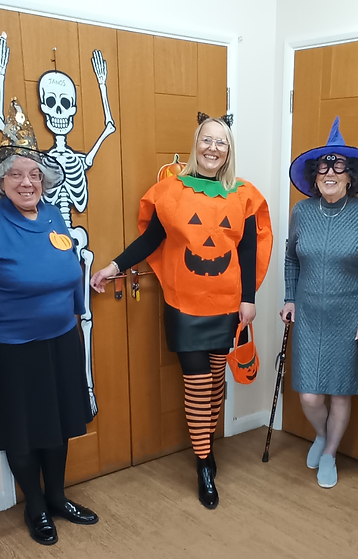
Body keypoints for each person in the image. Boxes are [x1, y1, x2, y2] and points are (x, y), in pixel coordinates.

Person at [90, 114, 272, 509]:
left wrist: (249, 299)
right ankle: (204, 463)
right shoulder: (171, 191)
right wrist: (114, 266)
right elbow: (152, 238)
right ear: (197, 145)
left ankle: (206, 447)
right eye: (207, 140)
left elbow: (246, 249)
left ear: (229, 151)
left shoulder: (242, 194)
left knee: (215, 382)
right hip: (184, 304)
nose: (213, 148)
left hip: (226, 303)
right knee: (197, 381)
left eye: (221, 143)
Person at [0, 100, 98, 547]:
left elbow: (68, 269)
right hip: (9, 348)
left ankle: (58, 495)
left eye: (34, 175)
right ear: (1, 182)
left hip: (60, 340)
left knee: (57, 424)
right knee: (21, 430)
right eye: (16, 175)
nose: (27, 182)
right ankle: (34, 504)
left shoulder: (56, 216)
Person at [282, 117, 358, 488]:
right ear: (314, 176)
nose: (330, 172)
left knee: (340, 393)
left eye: (338, 165)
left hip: (350, 316)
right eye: (323, 166)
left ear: (350, 175)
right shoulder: (302, 212)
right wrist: (289, 297)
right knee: (310, 395)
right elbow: (290, 258)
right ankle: (322, 434)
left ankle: (330, 454)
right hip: (309, 315)